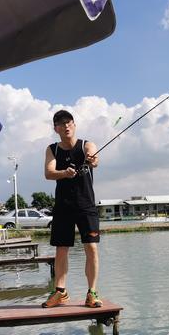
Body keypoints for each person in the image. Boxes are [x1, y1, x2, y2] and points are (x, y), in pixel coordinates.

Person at [42, 110, 102, 308]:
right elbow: (49, 173)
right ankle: (60, 291)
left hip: (86, 205)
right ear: (55, 128)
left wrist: (92, 159)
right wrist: (64, 173)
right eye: (60, 124)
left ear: (74, 124)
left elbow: (93, 157)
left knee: (91, 248)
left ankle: (92, 293)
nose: (65, 126)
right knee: (61, 250)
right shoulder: (52, 149)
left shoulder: (86, 144)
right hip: (63, 206)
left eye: (68, 122)